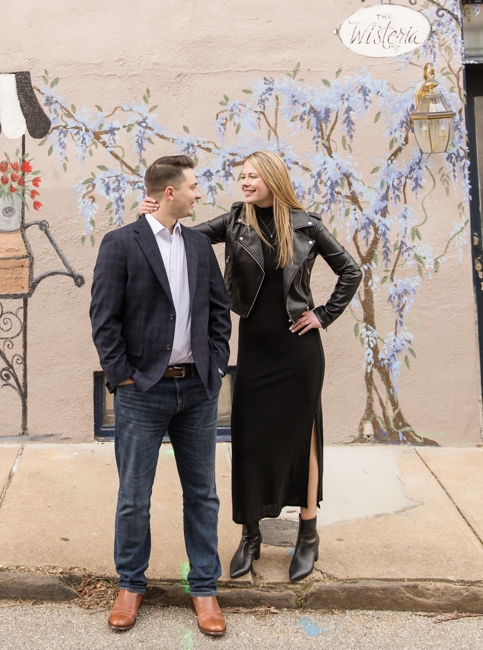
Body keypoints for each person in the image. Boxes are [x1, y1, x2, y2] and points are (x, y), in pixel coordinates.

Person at [142, 150, 361, 582]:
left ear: (273, 179)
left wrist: (322, 314)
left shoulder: (307, 224)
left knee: (305, 438)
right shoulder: (234, 221)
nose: (244, 182)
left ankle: (308, 531)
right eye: (242, 176)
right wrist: (155, 212)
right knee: (249, 439)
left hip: (298, 351)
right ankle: (251, 533)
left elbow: (350, 271)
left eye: (253, 176)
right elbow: (182, 235)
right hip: (255, 350)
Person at [89, 154, 231, 637]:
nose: (198, 193)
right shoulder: (120, 244)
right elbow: (103, 318)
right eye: (192, 186)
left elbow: (217, 311)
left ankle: (205, 588)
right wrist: (122, 375)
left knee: (203, 495)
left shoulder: (197, 245)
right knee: (134, 495)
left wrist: (214, 362)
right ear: (169, 192)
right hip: (142, 391)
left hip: (197, 389)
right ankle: (131, 584)